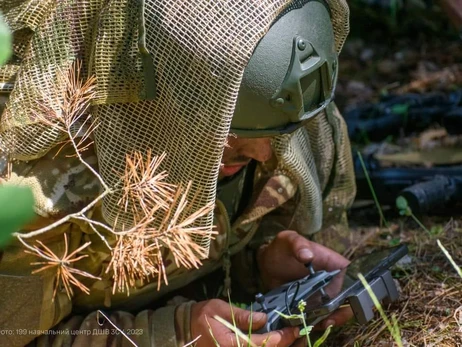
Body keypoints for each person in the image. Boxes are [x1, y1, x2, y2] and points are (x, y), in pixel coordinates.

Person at [0, 0, 355, 346]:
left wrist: (259, 266)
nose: (263, 153)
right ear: (164, 103)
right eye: (228, 134)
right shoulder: (40, 192)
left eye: (277, 135)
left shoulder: (288, 111)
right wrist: (176, 334)